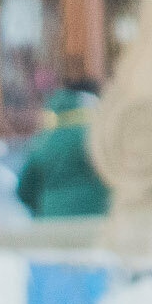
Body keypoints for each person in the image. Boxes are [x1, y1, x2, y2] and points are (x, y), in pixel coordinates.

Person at [16, 82, 110, 219]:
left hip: (53, 220)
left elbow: (24, 189)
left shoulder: (43, 141)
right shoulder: (97, 136)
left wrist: (43, 207)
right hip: (95, 216)